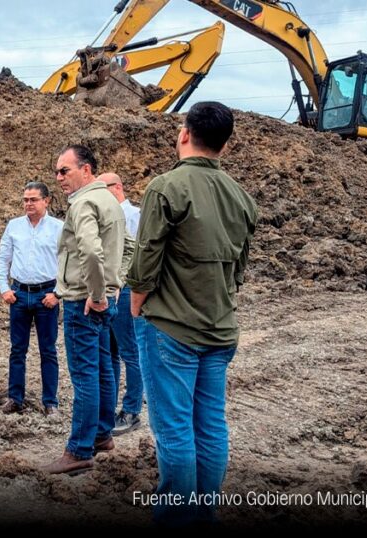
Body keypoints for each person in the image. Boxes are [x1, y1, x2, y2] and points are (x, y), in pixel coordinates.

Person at [127, 101, 258, 525]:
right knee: (211, 426)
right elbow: (238, 269)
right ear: (226, 143)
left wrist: (135, 305)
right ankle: (203, 515)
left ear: (184, 133)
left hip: (171, 328)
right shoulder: (242, 197)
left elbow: (146, 258)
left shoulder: (166, 187)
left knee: (175, 431)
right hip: (220, 330)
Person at [41, 145, 126, 475]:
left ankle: (78, 450)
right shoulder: (110, 200)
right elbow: (128, 246)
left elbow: (91, 252)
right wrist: (112, 288)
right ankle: (102, 435)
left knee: (85, 376)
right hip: (104, 300)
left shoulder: (84, 203)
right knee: (104, 369)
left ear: (87, 170)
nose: (59, 177)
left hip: (83, 302)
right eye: (57, 172)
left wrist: (97, 293)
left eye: (65, 170)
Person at [0, 181, 63, 416]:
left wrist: (58, 293)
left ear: (46, 201)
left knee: (48, 350)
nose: (28, 204)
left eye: (33, 199)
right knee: (17, 349)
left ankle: (50, 402)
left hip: (47, 294)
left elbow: (68, 262)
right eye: (25, 199)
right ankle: (15, 398)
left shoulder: (58, 228)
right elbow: (2, 259)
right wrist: (4, 288)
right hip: (19, 294)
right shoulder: (14, 226)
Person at [97, 172, 144, 436]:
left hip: (125, 289)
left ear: (117, 187)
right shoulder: (106, 216)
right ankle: (110, 408)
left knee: (130, 351)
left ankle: (131, 410)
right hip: (108, 289)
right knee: (111, 351)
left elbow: (140, 253)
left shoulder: (135, 216)